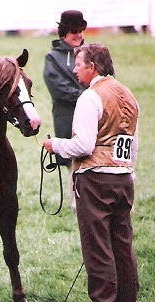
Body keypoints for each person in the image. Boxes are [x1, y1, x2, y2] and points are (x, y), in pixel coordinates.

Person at [43, 44, 143, 302]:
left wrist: (56, 145)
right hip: (123, 178)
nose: (75, 70)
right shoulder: (129, 95)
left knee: (98, 251)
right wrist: (128, 174)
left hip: (95, 180)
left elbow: (84, 145)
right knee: (123, 249)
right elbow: (132, 145)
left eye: (79, 64)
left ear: (93, 67)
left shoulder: (90, 97)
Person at [43, 10, 88, 212]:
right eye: (73, 31)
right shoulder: (53, 58)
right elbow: (58, 88)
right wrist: (88, 96)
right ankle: (76, 203)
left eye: (80, 31)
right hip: (67, 116)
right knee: (73, 160)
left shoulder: (92, 52)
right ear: (63, 33)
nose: (78, 35)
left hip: (94, 114)